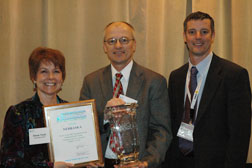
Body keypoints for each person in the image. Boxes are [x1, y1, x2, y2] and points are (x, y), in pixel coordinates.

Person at [164, 11, 251, 168]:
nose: (198, 37)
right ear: (185, 37)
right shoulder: (176, 77)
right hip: (179, 162)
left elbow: (240, 134)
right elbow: (172, 124)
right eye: (192, 32)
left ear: (213, 36)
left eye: (204, 32)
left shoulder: (234, 75)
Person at [79, 21, 172, 168]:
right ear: (104, 47)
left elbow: (161, 131)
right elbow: (83, 128)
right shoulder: (91, 81)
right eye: (111, 41)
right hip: (101, 164)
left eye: (124, 40)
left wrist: (146, 162)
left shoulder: (154, 81)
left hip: (138, 164)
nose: (118, 46)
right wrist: (105, 116)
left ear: (134, 45)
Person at [0, 47, 74, 168]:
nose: (51, 77)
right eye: (44, 71)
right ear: (34, 77)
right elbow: (8, 161)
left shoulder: (71, 111)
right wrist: (51, 166)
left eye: (56, 71)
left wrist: (90, 162)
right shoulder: (19, 112)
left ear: (62, 77)